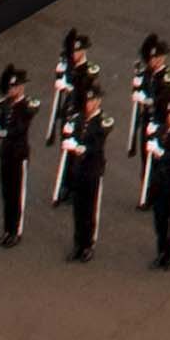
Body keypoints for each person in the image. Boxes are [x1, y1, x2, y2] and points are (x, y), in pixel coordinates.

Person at [57, 75, 112, 262]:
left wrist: (80, 147)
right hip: (79, 170)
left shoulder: (103, 121)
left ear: (99, 101)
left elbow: (97, 143)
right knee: (78, 210)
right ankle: (78, 244)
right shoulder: (78, 118)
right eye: (88, 101)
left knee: (90, 209)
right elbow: (71, 132)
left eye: (94, 100)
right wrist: (68, 137)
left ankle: (88, 245)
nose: (90, 104)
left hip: (93, 169)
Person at [0, 65, 37, 248]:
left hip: (19, 155)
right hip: (6, 154)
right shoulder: (5, 104)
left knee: (17, 195)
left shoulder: (27, 106)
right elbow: (0, 122)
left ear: (21, 87)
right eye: (11, 87)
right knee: (7, 194)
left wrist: (1, 132)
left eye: (15, 87)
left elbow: (19, 129)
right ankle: (7, 230)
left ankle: (16, 231)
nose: (12, 90)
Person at [139, 104, 170, 269]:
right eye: (169, 113)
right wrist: (150, 136)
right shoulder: (161, 129)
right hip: (159, 181)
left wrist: (158, 151)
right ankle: (161, 251)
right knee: (159, 219)